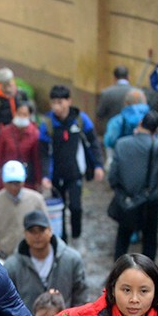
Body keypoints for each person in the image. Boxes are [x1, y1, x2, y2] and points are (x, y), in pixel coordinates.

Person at [39, 85, 104, 241]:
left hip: (75, 172)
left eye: (60, 102)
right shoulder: (47, 124)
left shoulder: (80, 120)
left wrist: (98, 165)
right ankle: (62, 239)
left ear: (69, 101)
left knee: (76, 207)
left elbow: (93, 142)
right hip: (56, 174)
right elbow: (44, 152)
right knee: (59, 209)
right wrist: (46, 175)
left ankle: (76, 237)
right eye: (53, 103)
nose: (57, 107)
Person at [109, 111, 158, 261]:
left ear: (140, 124)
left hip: (126, 199)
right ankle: (147, 274)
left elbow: (112, 176)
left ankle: (118, 272)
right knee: (150, 238)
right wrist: (157, 140)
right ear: (156, 130)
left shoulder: (121, 143)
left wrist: (121, 194)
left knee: (123, 237)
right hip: (149, 201)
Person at [5, 209, 89, 312]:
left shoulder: (72, 260)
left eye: (41, 230)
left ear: (50, 230)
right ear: (25, 234)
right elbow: (8, 303)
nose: (37, 236)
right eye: (32, 231)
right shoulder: (12, 266)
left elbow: (81, 296)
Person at [0, 160, 47, 257]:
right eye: (10, 182)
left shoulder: (36, 200)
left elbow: (47, 227)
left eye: (17, 182)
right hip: (4, 254)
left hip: (31, 254)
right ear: (3, 182)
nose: (13, 187)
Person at [0, 101, 40, 193]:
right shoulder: (4, 132)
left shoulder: (35, 134)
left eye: (24, 114)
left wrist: (39, 180)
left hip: (27, 179)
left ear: (29, 116)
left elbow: (37, 160)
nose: (21, 117)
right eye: (19, 113)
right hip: (7, 178)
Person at [0, 67, 30, 152]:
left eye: (10, 85)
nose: (8, 89)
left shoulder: (21, 95)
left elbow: (30, 114)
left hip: (22, 135)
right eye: (5, 86)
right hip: (6, 138)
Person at [103, 88, 150, 152]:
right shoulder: (150, 119)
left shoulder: (117, 120)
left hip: (122, 155)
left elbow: (110, 141)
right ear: (144, 102)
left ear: (126, 103)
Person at [96, 65, 133, 134]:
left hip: (112, 131)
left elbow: (100, 113)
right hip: (130, 132)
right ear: (128, 77)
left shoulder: (106, 93)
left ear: (114, 78)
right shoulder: (136, 92)